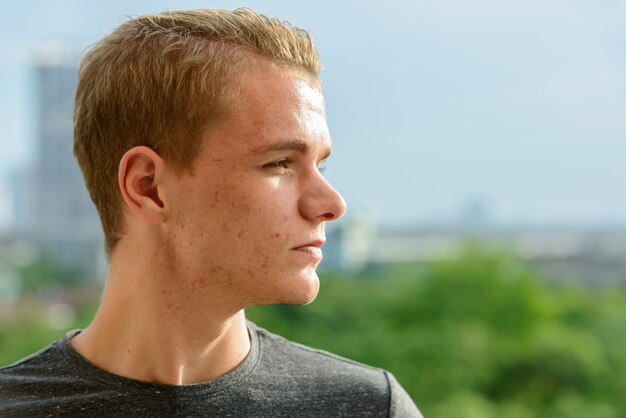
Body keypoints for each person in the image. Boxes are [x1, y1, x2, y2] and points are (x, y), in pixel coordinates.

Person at [0, 8, 422, 417]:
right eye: (279, 163)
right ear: (148, 187)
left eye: (321, 165)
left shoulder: (367, 407)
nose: (331, 204)